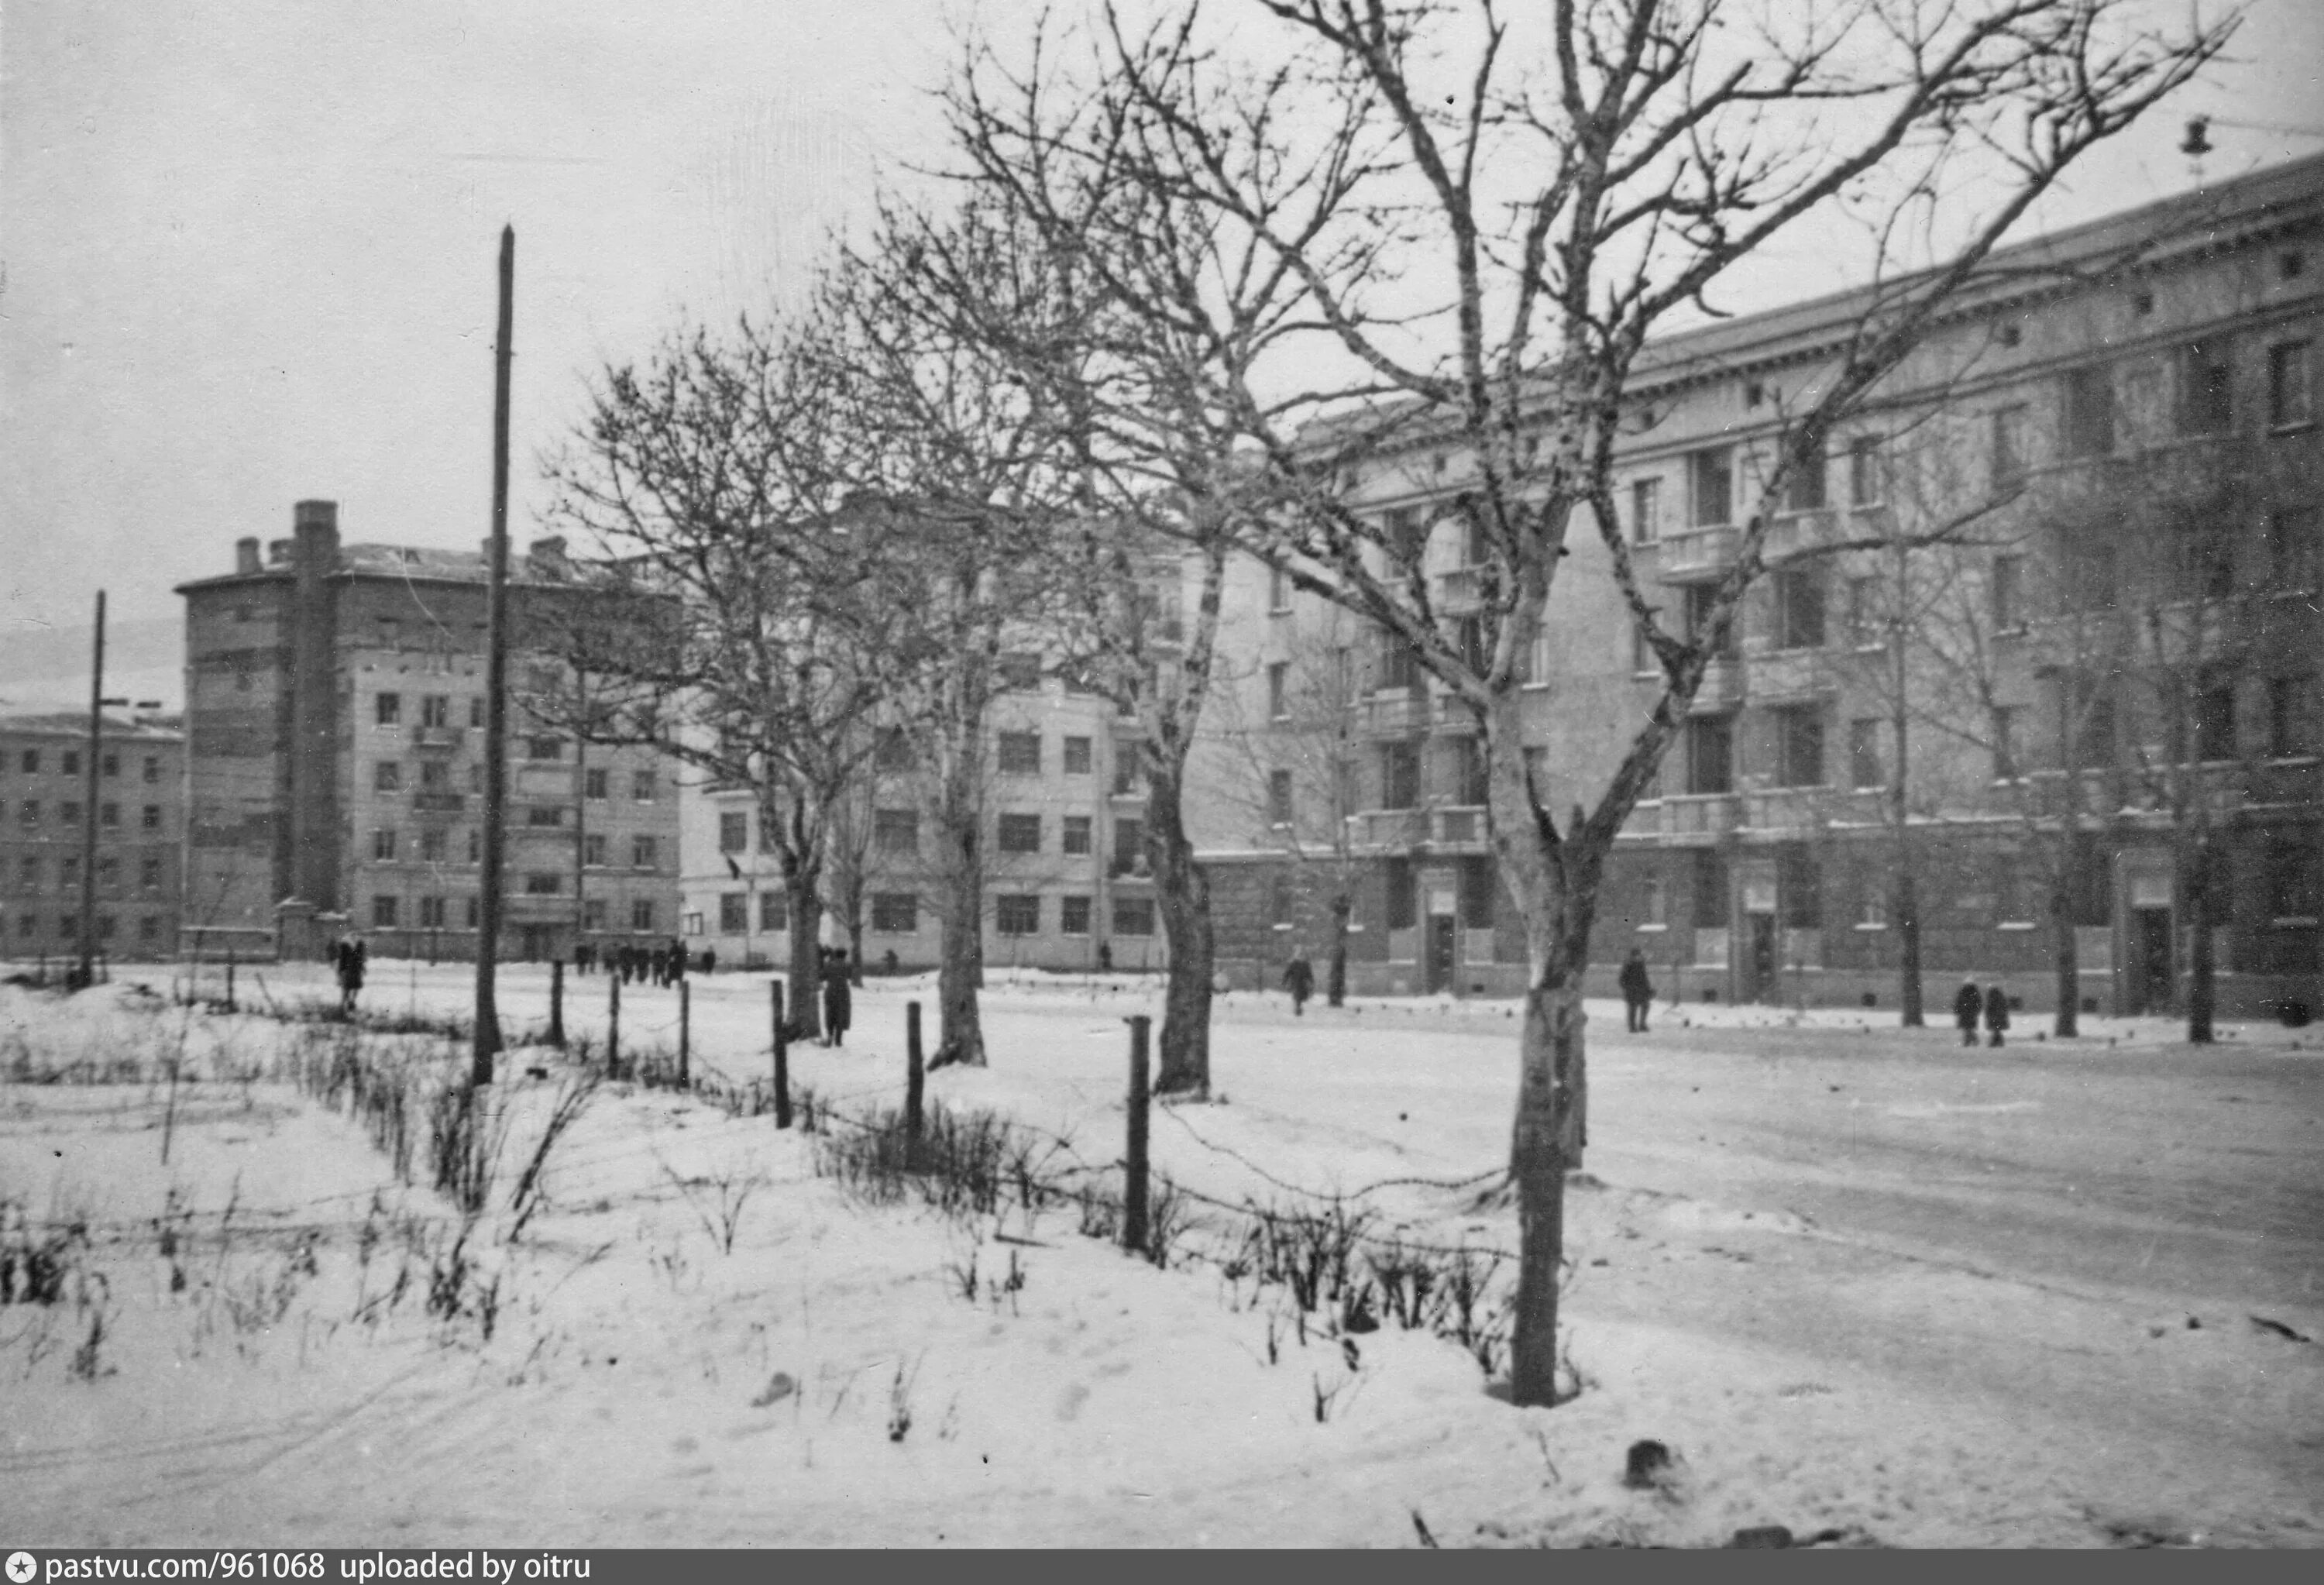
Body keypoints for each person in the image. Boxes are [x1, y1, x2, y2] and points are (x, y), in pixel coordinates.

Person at [821, 947, 853, 1048]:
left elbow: (822, 976)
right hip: (843, 992)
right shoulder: (847, 965)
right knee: (841, 1015)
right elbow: (851, 975)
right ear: (845, 955)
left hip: (831, 991)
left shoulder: (829, 964)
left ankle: (830, 1036)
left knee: (830, 1014)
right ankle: (838, 1040)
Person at [1619, 947, 1655, 1033]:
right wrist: (1628, 987)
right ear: (1633, 956)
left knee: (1645, 1006)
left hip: (1642, 990)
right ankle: (1633, 1027)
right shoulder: (1628, 965)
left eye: (1639, 955)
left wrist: (1649, 989)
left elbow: (1644, 978)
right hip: (1632, 990)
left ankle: (1642, 1024)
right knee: (1633, 1009)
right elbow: (1622, 979)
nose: (1639, 957)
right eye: (1637, 955)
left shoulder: (1641, 964)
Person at [334, 934, 366, 1017]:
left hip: (352, 970)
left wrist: (362, 967)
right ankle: (348, 1004)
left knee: (349, 988)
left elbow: (360, 958)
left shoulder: (356, 945)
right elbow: (343, 959)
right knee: (349, 988)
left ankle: (348, 1004)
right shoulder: (349, 945)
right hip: (350, 970)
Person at [1282, 950, 1315, 1016]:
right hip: (1296, 982)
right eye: (1299, 955)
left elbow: (1309, 974)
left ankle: (1298, 1008)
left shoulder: (1306, 964)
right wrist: (1285, 981)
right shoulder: (1293, 964)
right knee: (1298, 996)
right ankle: (1298, 1009)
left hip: (1303, 983)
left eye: (1302, 955)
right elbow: (1288, 973)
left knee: (1302, 997)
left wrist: (1311, 982)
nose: (1301, 957)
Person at [1953, 978, 1982, 1047]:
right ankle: (1972, 1040)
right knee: (1968, 1028)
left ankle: (1970, 1040)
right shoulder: (1974, 992)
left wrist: (1957, 1010)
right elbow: (1979, 1003)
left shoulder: (1963, 992)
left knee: (1967, 1028)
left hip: (1967, 1012)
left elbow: (1958, 1002)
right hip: (1968, 1013)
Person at [1984, 983, 2012, 1048]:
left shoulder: (1991, 999)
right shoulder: (2002, 998)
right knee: (1997, 1030)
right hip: (2000, 1017)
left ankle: (1995, 1042)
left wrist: (1988, 1016)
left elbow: (1988, 1009)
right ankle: (1999, 1042)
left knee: (1995, 1030)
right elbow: (2005, 1008)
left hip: (1993, 1017)